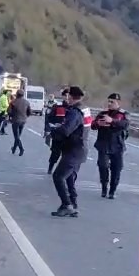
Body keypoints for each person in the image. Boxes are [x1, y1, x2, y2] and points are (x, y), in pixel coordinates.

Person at [50, 86, 87, 217]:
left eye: (67, 96)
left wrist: (54, 131)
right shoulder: (78, 111)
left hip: (74, 150)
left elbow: (66, 130)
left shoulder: (74, 112)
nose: (66, 98)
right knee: (69, 179)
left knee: (58, 176)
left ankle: (67, 205)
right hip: (75, 150)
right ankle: (72, 204)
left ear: (71, 97)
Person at [91, 93, 130, 199]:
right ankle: (104, 187)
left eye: (112, 102)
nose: (109, 103)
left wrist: (112, 121)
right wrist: (98, 123)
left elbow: (125, 124)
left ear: (118, 103)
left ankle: (112, 190)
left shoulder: (123, 114)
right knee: (103, 166)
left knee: (116, 169)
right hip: (103, 144)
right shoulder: (102, 113)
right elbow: (93, 125)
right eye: (108, 101)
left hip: (117, 145)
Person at [44, 88, 69, 173]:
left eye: (70, 95)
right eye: (66, 95)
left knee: (68, 155)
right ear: (63, 96)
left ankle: (64, 172)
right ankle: (50, 168)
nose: (68, 97)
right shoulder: (57, 107)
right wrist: (49, 130)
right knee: (55, 153)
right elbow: (49, 119)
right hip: (58, 135)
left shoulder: (75, 109)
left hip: (70, 136)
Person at [8, 89, 31, 156]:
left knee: (16, 136)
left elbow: (9, 111)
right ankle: (14, 148)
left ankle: (21, 149)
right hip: (23, 121)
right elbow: (29, 112)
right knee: (18, 136)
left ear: (17, 94)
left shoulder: (13, 102)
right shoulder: (26, 102)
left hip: (15, 120)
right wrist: (25, 116)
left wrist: (11, 116)